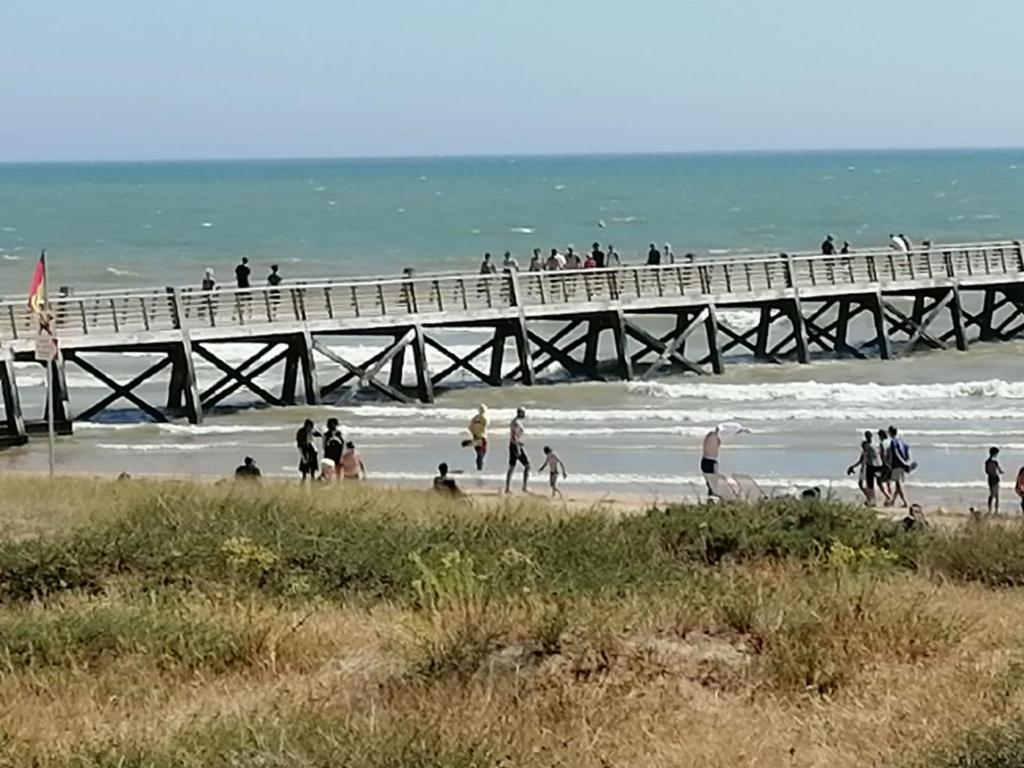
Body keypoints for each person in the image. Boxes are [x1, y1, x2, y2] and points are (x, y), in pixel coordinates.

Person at [847, 430, 881, 506]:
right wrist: (853, 467)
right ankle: (870, 499)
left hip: (869, 467)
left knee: (868, 485)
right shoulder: (869, 447)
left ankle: (871, 500)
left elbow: (872, 459)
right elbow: (861, 460)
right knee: (865, 485)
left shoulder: (871, 447)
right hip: (867, 468)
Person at [505, 406, 530, 494]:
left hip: (514, 445)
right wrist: (518, 445)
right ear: (520, 413)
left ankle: (508, 488)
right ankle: (524, 487)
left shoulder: (516, 421)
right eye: (523, 413)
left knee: (512, 466)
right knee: (527, 465)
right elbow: (513, 435)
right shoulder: (516, 423)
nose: (524, 414)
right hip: (515, 446)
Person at [887, 425, 912, 508]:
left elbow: (896, 453)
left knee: (898, 484)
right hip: (902, 464)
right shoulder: (901, 441)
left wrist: (902, 462)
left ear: (890, 432)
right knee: (898, 484)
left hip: (897, 464)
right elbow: (907, 448)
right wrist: (906, 461)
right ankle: (893, 501)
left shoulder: (893, 442)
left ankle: (905, 502)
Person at [701, 426, 722, 496]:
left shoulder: (708, 437)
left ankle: (710, 495)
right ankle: (712, 496)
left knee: (709, 482)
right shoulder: (715, 439)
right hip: (711, 461)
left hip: (704, 460)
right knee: (713, 483)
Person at [467, 404, 488, 471]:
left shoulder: (475, 418)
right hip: (481, 437)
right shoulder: (484, 418)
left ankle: (479, 466)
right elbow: (486, 424)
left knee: (480, 452)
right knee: (481, 452)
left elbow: (470, 427)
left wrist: (473, 432)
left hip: (476, 436)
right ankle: (479, 467)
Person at [986, 447, 1004, 514]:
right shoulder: (993, 462)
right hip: (993, 478)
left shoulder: (989, 462)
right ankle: (992, 509)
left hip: (993, 478)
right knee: (994, 495)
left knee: (995, 495)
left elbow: (987, 471)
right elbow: (989, 471)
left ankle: (994, 510)